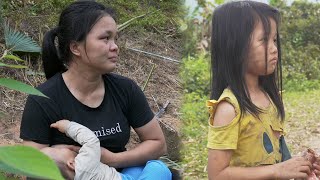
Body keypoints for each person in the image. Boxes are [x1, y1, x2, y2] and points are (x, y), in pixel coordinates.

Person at [19, 1, 170, 179]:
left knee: (157, 169)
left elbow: (158, 144)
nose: (115, 46)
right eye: (105, 38)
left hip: (119, 174)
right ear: (75, 47)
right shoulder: (43, 100)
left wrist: (113, 159)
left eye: (115, 39)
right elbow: (30, 166)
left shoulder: (125, 89)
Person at [207, 1, 313, 179]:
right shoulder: (229, 109)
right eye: (264, 40)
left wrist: (299, 164)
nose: (274, 49)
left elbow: (273, 154)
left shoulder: (268, 97)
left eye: (274, 40)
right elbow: (216, 174)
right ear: (235, 45)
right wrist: (277, 171)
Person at [41, 120, 171, 180]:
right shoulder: (84, 164)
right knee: (158, 167)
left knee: (136, 168)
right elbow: (91, 140)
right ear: (72, 164)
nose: (62, 147)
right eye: (59, 149)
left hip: (123, 177)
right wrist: (68, 126)